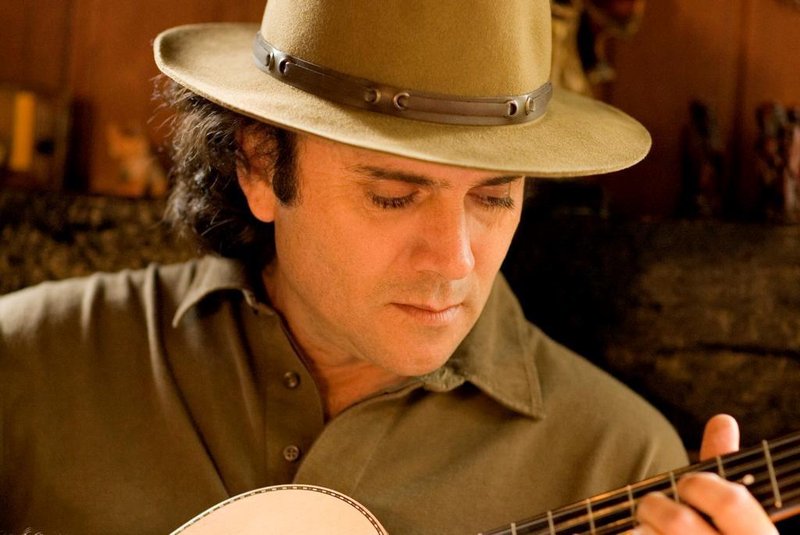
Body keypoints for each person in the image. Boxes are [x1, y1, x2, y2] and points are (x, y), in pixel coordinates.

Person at [0, 1, 778, 533]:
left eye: (493, 197)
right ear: (261, 166)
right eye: (395, 196)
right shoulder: (28, 367)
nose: (455, 260)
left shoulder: (626, 469)